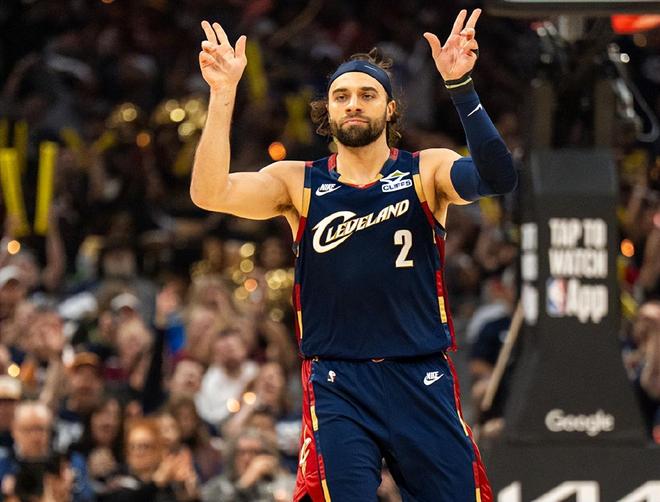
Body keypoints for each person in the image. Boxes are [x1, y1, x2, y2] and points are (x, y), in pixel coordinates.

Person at [191, 9, 516, 501]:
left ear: (390, 109)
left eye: (367, 94)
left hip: (419, 372)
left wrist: (461, 86)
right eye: (342, 96)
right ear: (328, 110)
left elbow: (497, 178)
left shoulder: (426, 171)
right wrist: (222, 95)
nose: (354, 104)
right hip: (338, 381)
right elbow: (209, 193)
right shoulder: (299, 182)